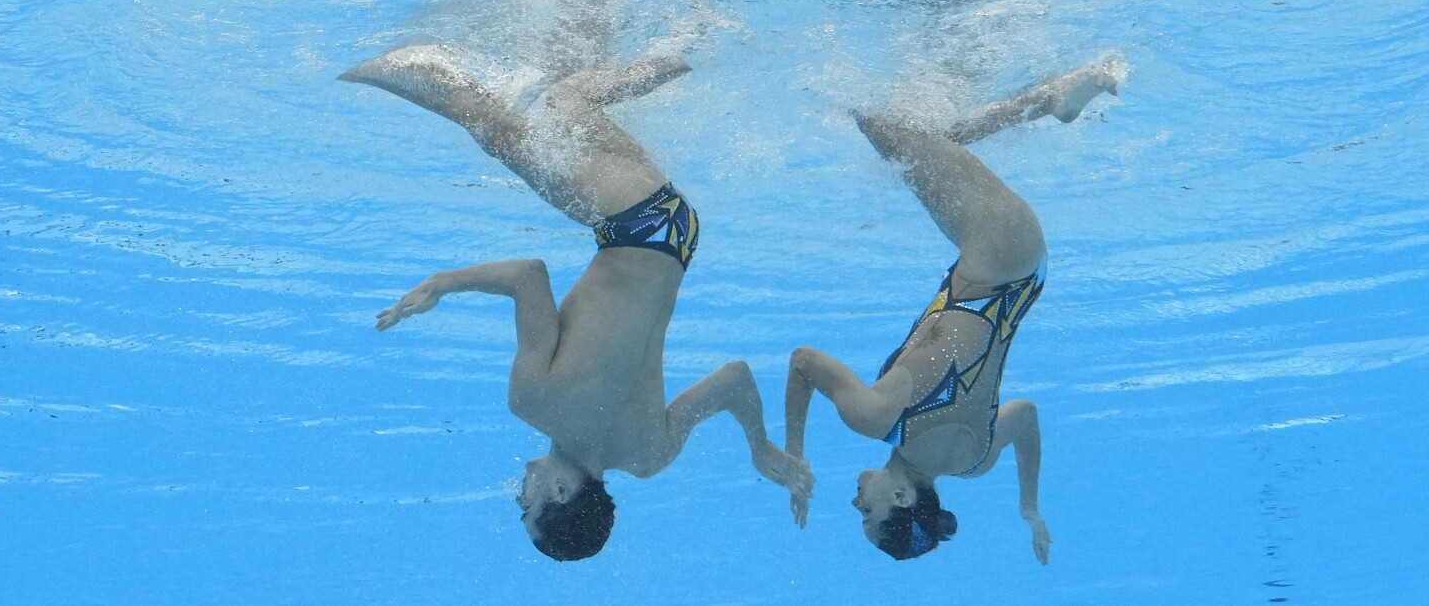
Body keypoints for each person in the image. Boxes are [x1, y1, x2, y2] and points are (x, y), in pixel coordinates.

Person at [341, 40, 812, 562]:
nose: (519, 497)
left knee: (566, 113)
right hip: (628, 219)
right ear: (561, 495)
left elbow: (736, 379)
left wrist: (759, 446)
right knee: (522, 120)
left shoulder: (650, 456)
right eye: (527, 508)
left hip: (676, 233)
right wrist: (441, 284)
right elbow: (527, 276)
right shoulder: (534, 403)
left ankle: (691, 48)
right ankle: (357, 63)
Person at [782, 59, 1127, 562]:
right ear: (901, 499)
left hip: (1025, 273)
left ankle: (1049, 101)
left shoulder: (976, 462)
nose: (857, 501)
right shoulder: (875, 417)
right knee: (874, 119)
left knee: (922, 143)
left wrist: (1029, 507)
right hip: (995, 248)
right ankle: (1054, 100)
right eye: (866, 513)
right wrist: (794, 455)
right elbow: (802, 361)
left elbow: (1026, 419)